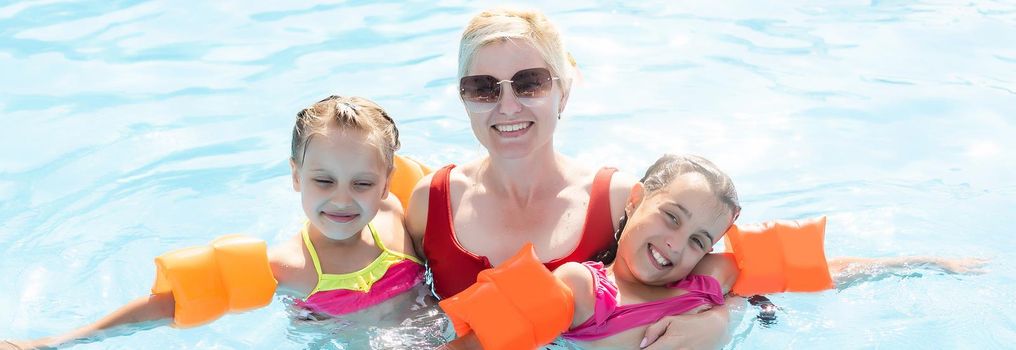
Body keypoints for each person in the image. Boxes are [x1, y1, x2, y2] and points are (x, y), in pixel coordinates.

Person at [405, 8, 738, 349]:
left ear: (563, 92)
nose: (507, 107)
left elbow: (717, 267)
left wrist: (716, 322)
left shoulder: (614, 200)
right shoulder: (431, 203)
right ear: (464, 99)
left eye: (529, 84)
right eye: (482, 88)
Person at [438, 154, 988, 350]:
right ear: (635, 201)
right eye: (670, 218)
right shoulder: (581, 290)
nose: (676, 245)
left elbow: (825, 274)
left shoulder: (712, 278)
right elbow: (479, 344)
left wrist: (919, 265)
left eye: (699, 238)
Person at [5, 96, 425, 349]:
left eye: (362, 183)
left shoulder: (396, 217)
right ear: (296, 176)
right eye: (323, 181)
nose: (342, 199)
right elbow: (170, 304)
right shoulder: (289, 267)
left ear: (387, 182)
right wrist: (54, 342)